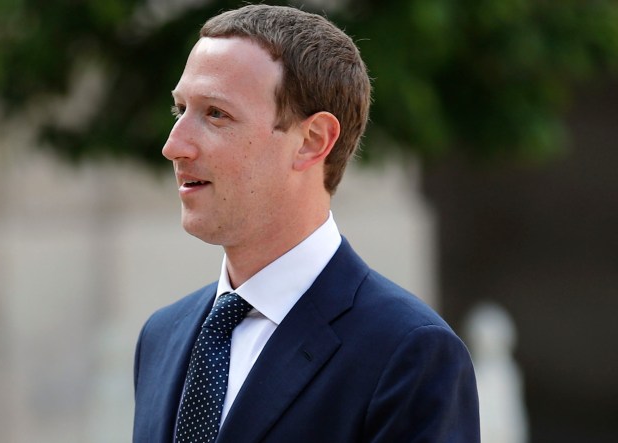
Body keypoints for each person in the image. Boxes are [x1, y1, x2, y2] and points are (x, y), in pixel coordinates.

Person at [133, 4, 479, 442]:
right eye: (179, 110)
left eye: (216, 114)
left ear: (312, 141)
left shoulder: (408, 352)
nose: (174, 145)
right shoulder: (162, 337)